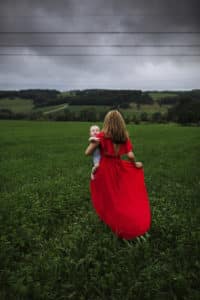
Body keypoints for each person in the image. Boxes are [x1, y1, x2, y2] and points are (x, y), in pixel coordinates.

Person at [85, 110, 151, 240]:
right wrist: (135, 163)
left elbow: (87, 152)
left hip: (105, 168)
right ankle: (127, 220)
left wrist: (95, 142)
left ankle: (112, 219)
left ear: (106, 122)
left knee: (106, 196)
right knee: (120, 195)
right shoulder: (124, 136)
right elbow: (130, 155)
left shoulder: (101, 136)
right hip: (118, 166)